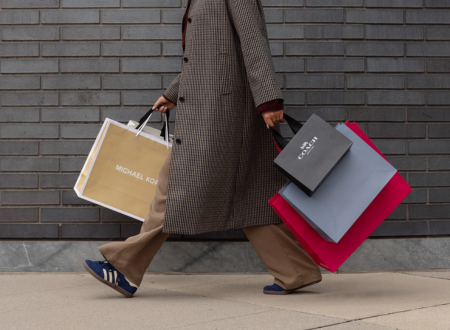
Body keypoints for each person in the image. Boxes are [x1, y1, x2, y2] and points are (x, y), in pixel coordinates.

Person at [83, 0, 322, 298]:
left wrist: (269, 100)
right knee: (250, 193)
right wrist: (173, 93)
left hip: (221, 114)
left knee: (176, 187)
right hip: (215, 109)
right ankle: (295, 271)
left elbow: (253, 41)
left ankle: (124, 268)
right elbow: (206, 59)